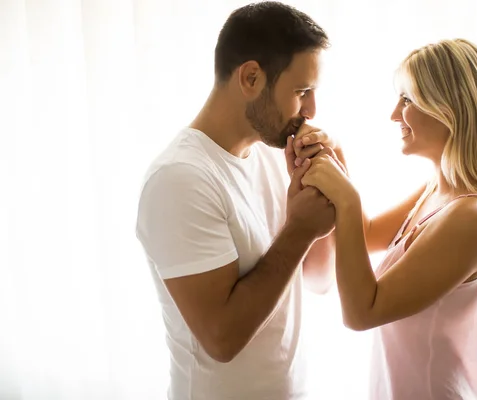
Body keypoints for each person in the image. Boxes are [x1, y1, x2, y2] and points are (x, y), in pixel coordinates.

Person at [135, 2, 346, 399]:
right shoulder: (180, 178)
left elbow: (319, 278)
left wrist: (329, 190)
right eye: (302, 91)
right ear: (250, 77)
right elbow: (223, 340)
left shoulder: (272, 153)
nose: (312, 110)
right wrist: (299, 229)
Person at [301, 38, 477, 399]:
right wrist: (336, 157)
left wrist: (347, 198)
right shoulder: (437, 191)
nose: (394, 114)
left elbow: (361, 312)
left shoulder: (473, 218)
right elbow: (362, 237)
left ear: (449, 107)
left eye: (407, 99)